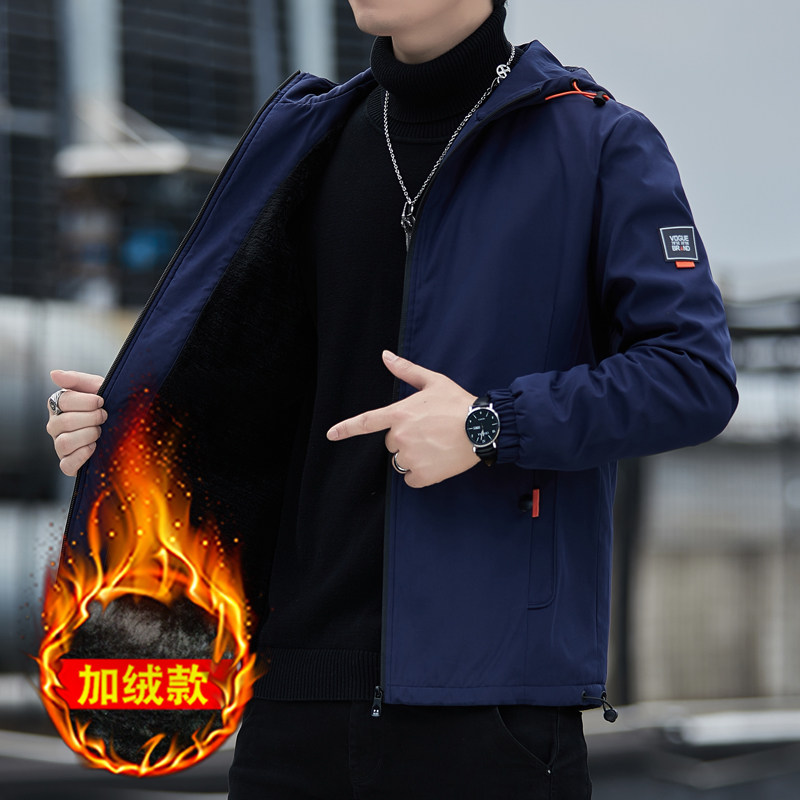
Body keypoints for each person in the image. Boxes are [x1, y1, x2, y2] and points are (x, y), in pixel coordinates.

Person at [46, 0, 738, 796]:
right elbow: (259, 410)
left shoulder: (597, 142)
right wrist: (132, 434)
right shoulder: (306, 142)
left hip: (488, 716)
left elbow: (692, 374)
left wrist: (489, 424)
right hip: (289, 705)